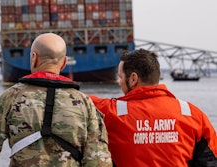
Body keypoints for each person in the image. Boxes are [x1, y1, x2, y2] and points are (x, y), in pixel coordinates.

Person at [0, 33, 112, 167]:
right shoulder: (85, 103)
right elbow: (98, 161)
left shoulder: (10, 97)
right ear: (64, 62)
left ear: (34, 58)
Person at [89, 49, 217, 167]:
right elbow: (210, 160)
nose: (119, 82)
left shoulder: (111, 112)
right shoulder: (192, 114)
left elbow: (75, 98)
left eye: (121, 77)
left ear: (133, 79)